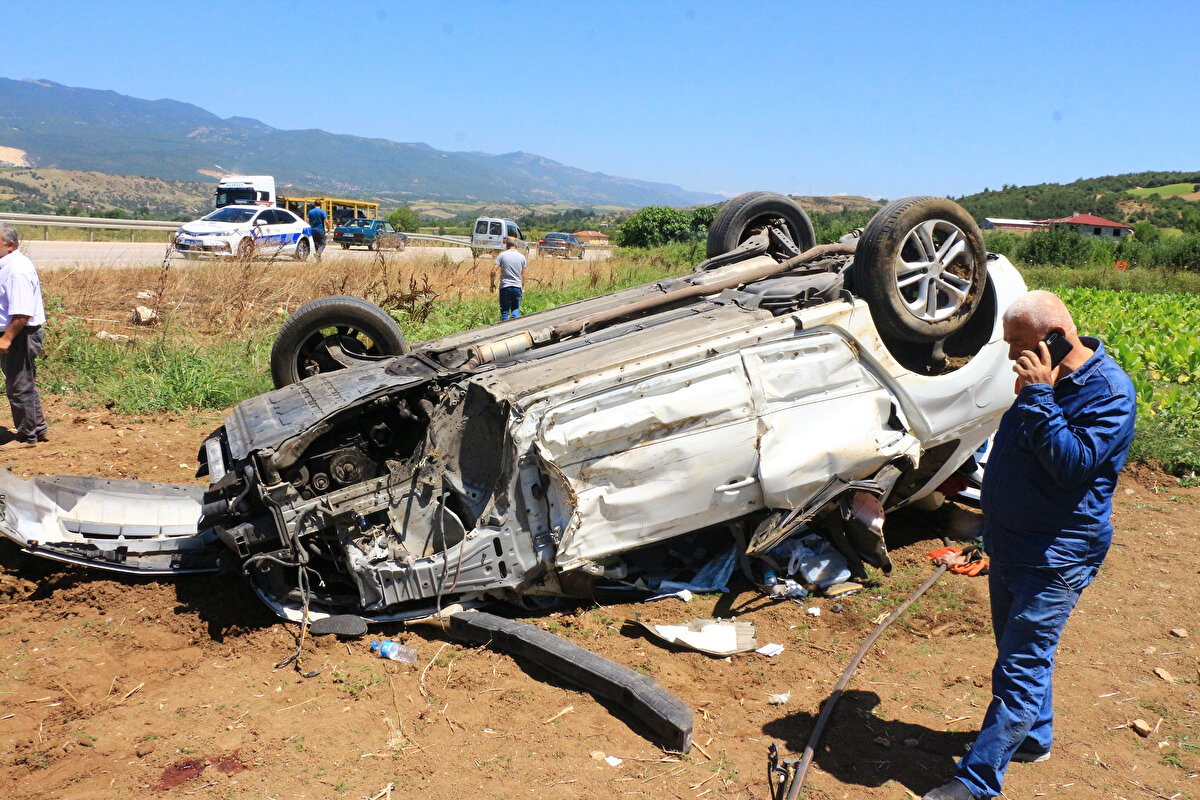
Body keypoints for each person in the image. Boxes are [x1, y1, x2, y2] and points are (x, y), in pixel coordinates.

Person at [924, 290, 1136, 800]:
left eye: (1017, 342)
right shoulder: (1041, 379)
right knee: (1017, 653)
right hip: (1013, 543)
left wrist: (1040, 396)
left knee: (1020, 665)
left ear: (1054, 337)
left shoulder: (1109, 391)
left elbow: (1072, 466)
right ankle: (1033, 739)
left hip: (1058, 553)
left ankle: (977, 782)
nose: (1010, 352)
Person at [0, 223, 49, 450]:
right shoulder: (8, 264)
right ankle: (37, 428)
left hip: (20, 333)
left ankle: (26, 437)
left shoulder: (15, 269)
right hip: (18, 332)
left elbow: (22, 313)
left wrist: (6, 338)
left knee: (18, 385)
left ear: (10, 245)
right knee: (24, 382)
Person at [495, 237, 527, 321]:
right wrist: (522, 287)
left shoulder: (502, 255)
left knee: (505, 311)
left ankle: (503, 329)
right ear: (516, 245)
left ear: (507, 244)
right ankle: (514, 323)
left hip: (505, 286)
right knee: (515, 308)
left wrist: (492, 284)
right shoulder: (522, 257)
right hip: (517, 286)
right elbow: (523, 275)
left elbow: (493, 271)